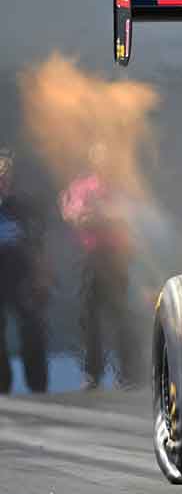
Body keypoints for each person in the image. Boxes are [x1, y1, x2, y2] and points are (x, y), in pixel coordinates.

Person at [59, 143, 138, 389]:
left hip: (116, 257)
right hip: (90, 258)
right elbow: (75, 216)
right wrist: (102, 217)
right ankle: (93, 374)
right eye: (100, 158)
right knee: (89, 318)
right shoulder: (81, 187)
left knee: (119, 317)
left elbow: (128, 216)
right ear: (93, 161)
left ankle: (126, 375)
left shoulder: (122, 186)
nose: (105, 163)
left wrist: (99, 217)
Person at [0, 147, 49, 394]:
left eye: (4, 170)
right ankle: (2, 385)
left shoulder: (22, 204)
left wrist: (39, 272)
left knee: (31, 326)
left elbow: (36, 241)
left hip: (21, 270)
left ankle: (38, 385)